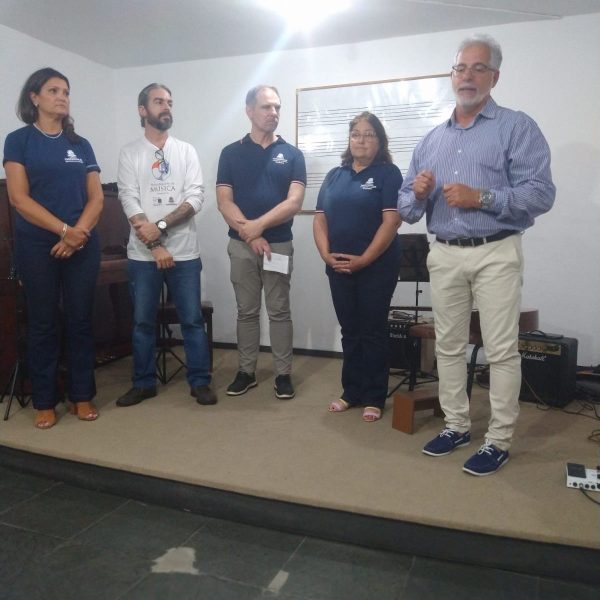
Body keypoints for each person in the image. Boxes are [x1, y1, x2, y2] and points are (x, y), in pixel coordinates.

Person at [398, 34, 555, 475]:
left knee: (500, 351)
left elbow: (541, 194)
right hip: (444, 253)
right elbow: (406, 208)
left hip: (496, 251)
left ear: (494, 77)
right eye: (460, 68)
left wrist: (481, 197)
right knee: (448, 346)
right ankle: (456, 426)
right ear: (452, 76)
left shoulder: (516, 127)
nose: (467, 76)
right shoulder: (431, 140)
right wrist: (418, 193)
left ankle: (498, 440)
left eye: (478, 68)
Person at [3, 67, 104, 429]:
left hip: (82, 242)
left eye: (66, 91)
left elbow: (97, 198)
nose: (62, 97)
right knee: (43, 323)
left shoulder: (81, 144)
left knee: (80, 321)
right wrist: (63, 231)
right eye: (53, 90)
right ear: (34, 98)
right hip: (37, 245)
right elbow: (18, 198)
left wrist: (77, 233)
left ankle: (81, 395)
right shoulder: (18, 141)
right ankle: (45, 400)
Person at [116, 83, 216, 407]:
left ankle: (200, 382)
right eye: (159, 101)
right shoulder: (130, 153)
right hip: (142, 256)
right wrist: (153, 244)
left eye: (169, 101)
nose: (166, 106)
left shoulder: (186, 151)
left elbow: (195, 197)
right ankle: (143, 383)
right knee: (143, 322)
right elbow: (128, 198)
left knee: (192, 321)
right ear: (142, 110)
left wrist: (159, 226)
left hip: (185, 253)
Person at [216, 85, 306, 400]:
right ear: (249, 110)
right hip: (241, 246)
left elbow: (294, 202)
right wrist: (251, 234)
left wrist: (259, 227)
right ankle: (246, 372)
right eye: (267, 107)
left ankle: (283, 374)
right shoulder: (231, 153)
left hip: (278, 246)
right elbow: (224, 201)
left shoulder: (292, 154)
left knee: (279, 310)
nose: (274, 113)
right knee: (246, 311)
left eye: (277, 107)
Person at [314, 112, 403, 422]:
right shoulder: (334, 175)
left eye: (369, 134)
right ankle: (351, 391)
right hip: (337, 266)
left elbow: (392, 222)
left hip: (376, 267)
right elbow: (320, 220)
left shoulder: (388, 174)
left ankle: (375, 396)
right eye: (356, 134)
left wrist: (364, 259)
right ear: (349, 139)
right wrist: (326, 255)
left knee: (373, 331)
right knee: (350, 331)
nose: (361, 140)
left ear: (380, 141)